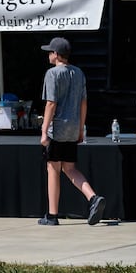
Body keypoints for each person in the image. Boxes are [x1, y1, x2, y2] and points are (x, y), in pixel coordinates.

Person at [38, 37, 104, 226]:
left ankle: (52, 215)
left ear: (57, 55)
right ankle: (93, 197)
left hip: (57, 128)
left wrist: (44, 131)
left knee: (53, 168)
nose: (49, 55)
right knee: (70, 168)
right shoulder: (79, 73)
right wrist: (81, 128)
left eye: (50, 52)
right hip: (73, 127)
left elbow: (51, 103)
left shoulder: (52, 74)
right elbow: (84, 102)